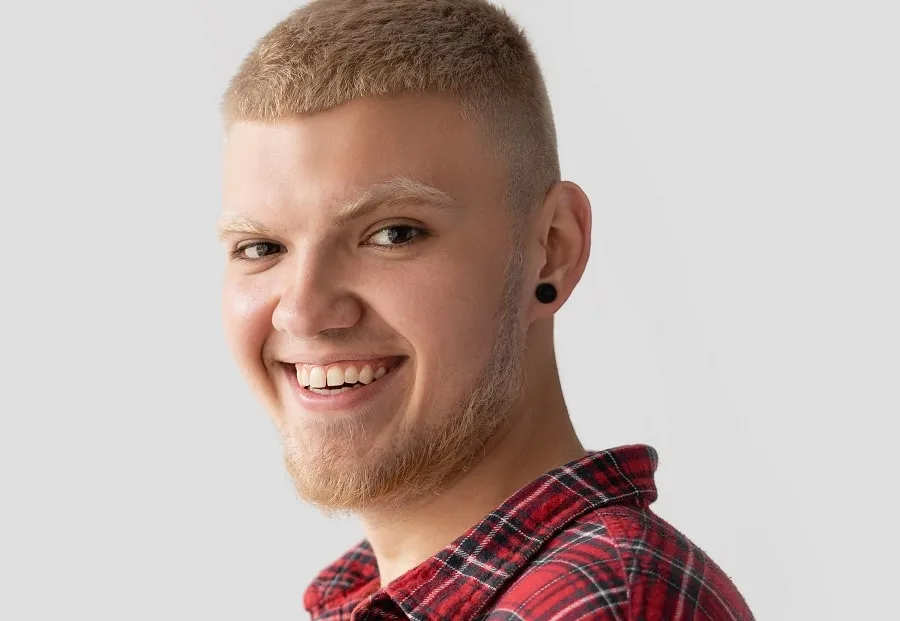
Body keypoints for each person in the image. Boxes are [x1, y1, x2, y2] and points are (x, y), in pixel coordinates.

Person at [217, 0, 755, 618]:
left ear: (552, 249)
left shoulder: (600, 606)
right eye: (260, 248)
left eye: (394, 233)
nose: (304, 312)